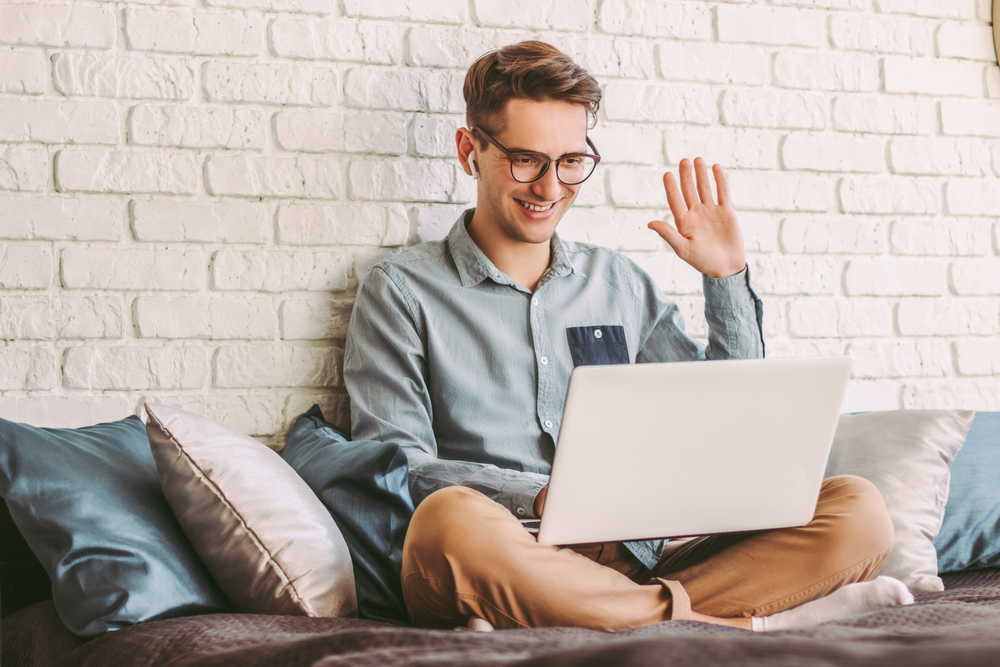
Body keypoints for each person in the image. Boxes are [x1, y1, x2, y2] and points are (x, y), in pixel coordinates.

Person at [343, 41, 911, 633]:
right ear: (470, 151)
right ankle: (735, 627)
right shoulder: (401, 290)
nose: (549, 187)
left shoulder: (617, 281)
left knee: (859, 509)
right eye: (525, 160)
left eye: (570, 161)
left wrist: (725, 279)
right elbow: (397, 464)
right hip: (506, 555)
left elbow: (727, 419)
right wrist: (543, 498)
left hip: (636, 561)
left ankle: (618, 618)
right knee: (448, 521)